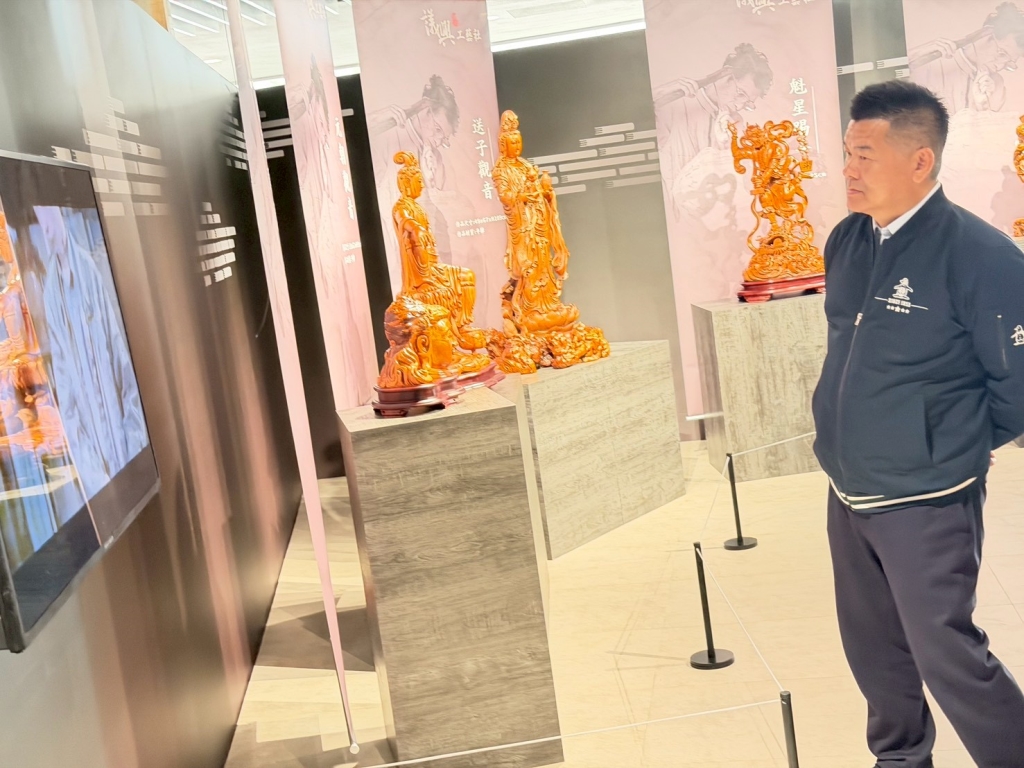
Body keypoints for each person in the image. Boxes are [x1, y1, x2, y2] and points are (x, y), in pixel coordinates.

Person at [813, 79, 1024, 768]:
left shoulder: (982, 255)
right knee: (875, 655)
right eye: (848, 152)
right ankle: (901, 761)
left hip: (928, 498)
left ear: (920, 160)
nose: (848, 168)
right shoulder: (847, 241)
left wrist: (949, 444)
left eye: (865, 155)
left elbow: (1017, 386)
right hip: (849, 490)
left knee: (948, 657)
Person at [32, 206, 147, 501]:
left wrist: (135, 450)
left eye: (47, 213)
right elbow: (68, 406)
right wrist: (98, 481)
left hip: (129, 457)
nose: (45, 226)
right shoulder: (51, 294)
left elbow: (125, 370)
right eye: (38, 215)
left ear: (58, 211)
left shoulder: (91, 270)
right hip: (103, 480)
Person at [653, 43, 773, 211]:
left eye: (747, 103)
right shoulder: (677, 104)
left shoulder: (735, 122)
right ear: (726, 76)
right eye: (741, 94)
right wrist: (660, 93)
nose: (739, 106)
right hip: (671, 211)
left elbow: (740, 180)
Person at [909, 2, 1024, 113]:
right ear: (985, 35)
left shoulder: (996, 84)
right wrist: (918, 53)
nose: (1000, 66)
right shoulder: (933, 62)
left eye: (1009, 63)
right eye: (1002, 54)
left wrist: (983, 107)